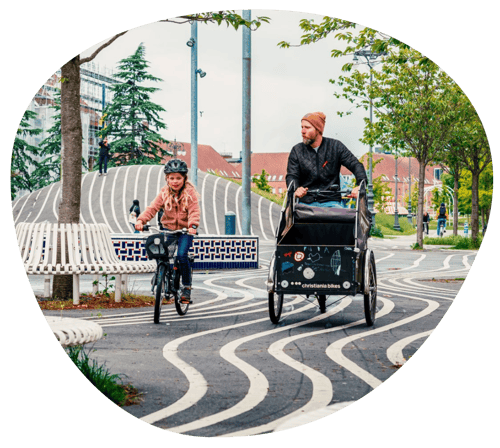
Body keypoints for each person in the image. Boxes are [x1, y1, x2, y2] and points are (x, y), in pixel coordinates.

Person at [135, 159, 200, 304]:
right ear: (167, 179)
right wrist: (141, 220)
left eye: (178, 178)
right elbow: (152, 208)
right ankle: (163, 275)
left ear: (184, 178)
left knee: (182, 255)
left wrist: (193, 226)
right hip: (167, 230)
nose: (175, 181)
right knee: (161, 254)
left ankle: (186, 288)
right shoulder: (164, 193)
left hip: (185, 231)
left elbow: (194, 211)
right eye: (171, 178)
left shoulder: (190, 194)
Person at [286, 112, 367, 207]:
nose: (302, 131)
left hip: (332, 203)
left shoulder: (336, 146)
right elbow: (292, 175)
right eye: (302, 127)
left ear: (318, 130)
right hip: (305, 203)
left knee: (343, 217)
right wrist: (296, 189)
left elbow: (355, 165)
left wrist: (360, 186)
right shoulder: (297, 150)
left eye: (307, 128)